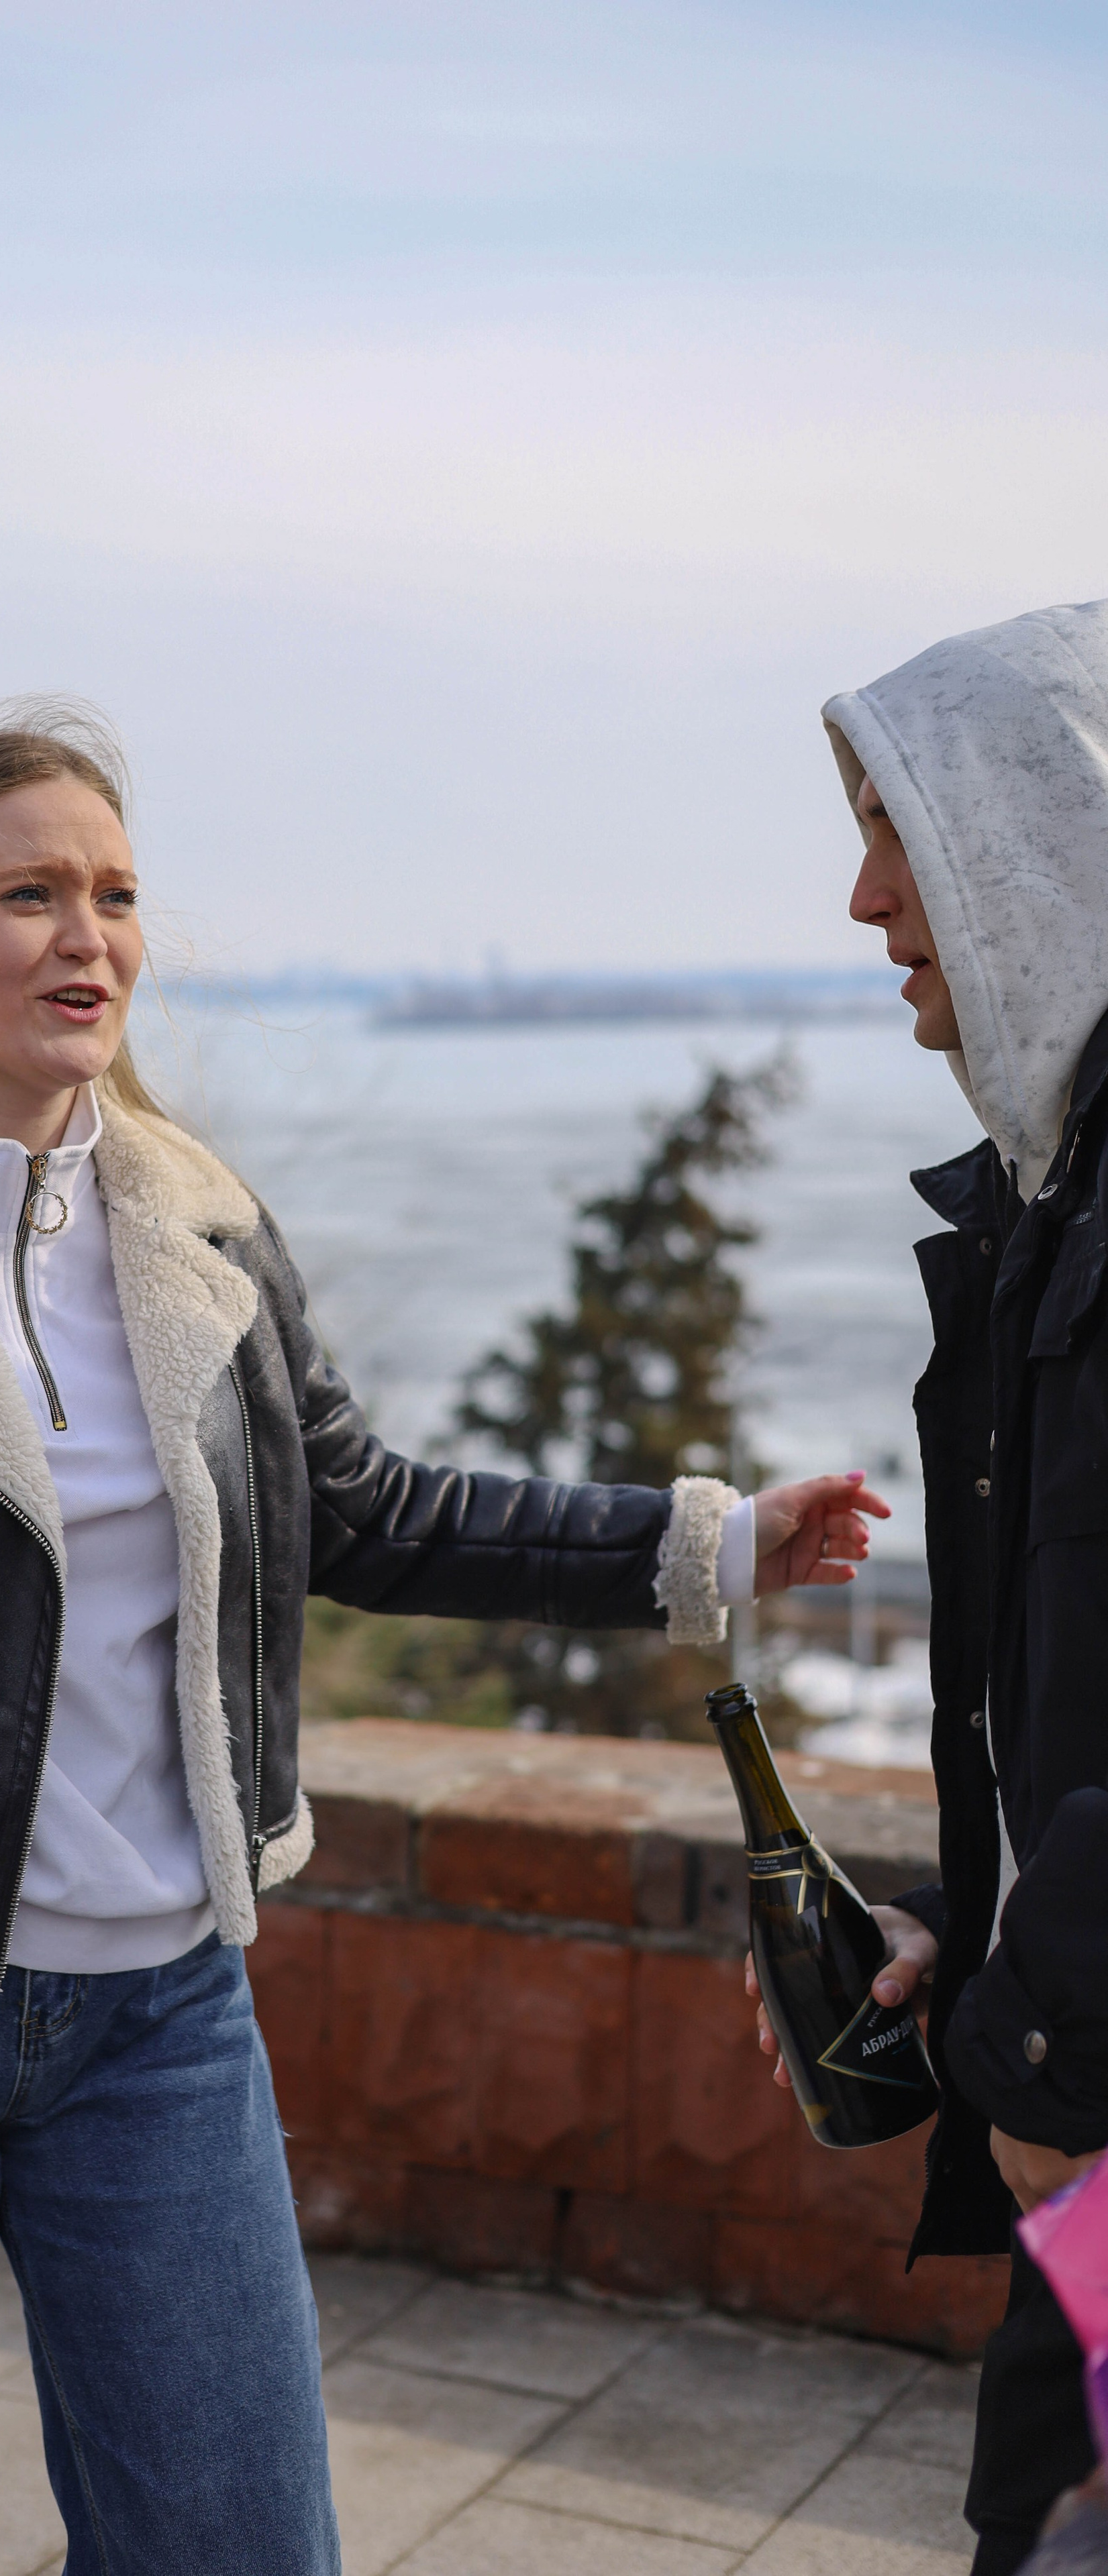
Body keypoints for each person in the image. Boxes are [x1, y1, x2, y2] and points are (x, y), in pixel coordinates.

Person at [0, 714, 881, 2576]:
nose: (88, 936)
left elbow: (366, 1511)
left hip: (162, 2014)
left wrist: (699, 1542)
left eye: (115, 894)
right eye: (29, 894)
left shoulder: (200, 1229)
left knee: (243, 2539)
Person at [749, 599, 1108, 2574]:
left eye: (902, 828)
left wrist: (1051, 2049)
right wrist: (972, 1940)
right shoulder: (1055, 1209)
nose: (868, 896)